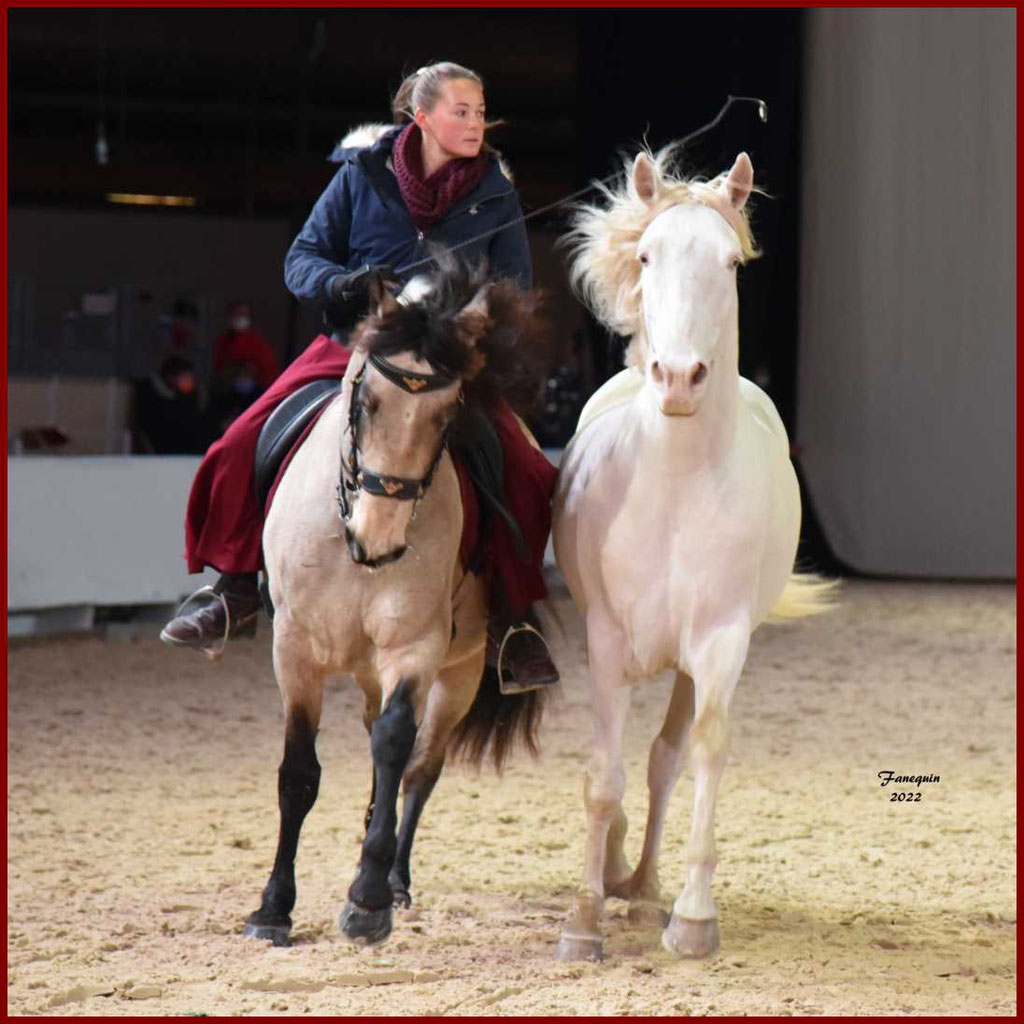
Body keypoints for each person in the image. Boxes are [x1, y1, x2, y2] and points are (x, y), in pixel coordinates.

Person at [160, 61, 559, 690]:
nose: (476, 123)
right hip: (357, 342)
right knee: (237, 442)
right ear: (422, 118)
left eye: (482, 112)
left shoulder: (496, 193)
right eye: (462, 111)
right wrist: (344, 284)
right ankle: (232, 588)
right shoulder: (361, 177)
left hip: (448, 355)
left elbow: (517, 290)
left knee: (531, 472)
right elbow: (302, 260)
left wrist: (470, 314)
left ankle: (511, 621)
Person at [209, 301, 281, 431]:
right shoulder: (222, 342)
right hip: (227, 396)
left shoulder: (259, 343)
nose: (240, 317)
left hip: (254, 397)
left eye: (243, 314)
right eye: (236, 314)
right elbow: (219, 370)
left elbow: (268, 372)